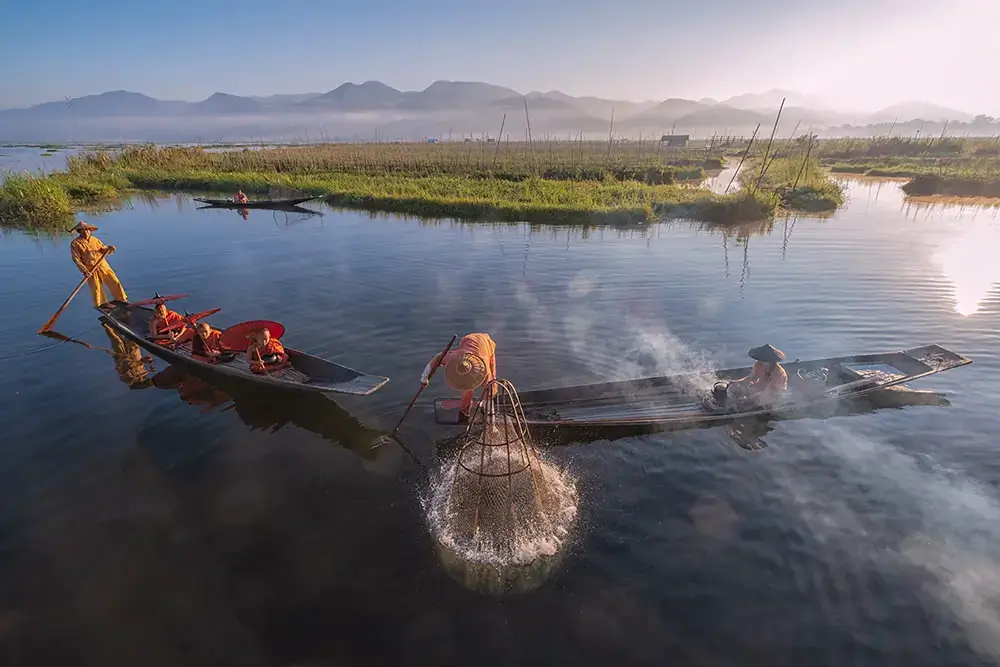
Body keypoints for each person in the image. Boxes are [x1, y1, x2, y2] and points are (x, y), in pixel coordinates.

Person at [421, 333, 497, 422]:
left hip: (486, 344)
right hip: (468, 340)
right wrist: (424, 379)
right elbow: (437, 358)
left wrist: (491, 418)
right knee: (468, 385)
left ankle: (485, 406)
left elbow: (489, 391)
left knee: (490, 385)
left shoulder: (484, 369)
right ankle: (465, 410)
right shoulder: (455, 358)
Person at [69, 221, 128, 307]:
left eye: (87, 230)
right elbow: (76, 259)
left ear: (90, 231)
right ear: (79, 231)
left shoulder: (95, 240)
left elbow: (103, 250)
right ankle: (103, 304)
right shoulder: (75, 243)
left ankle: (122, 299)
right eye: (83, 230)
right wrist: (84, 270)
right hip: (90, 268)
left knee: (114, 281)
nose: (86, 232)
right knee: (96, 288)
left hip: (102, 265)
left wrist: (109, 249)